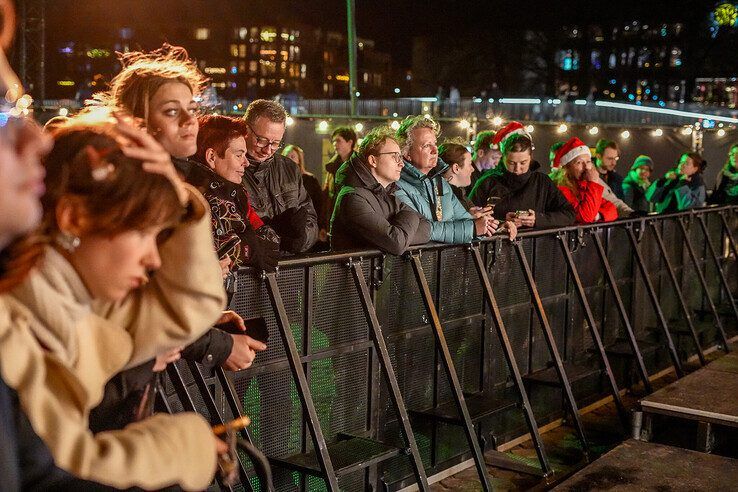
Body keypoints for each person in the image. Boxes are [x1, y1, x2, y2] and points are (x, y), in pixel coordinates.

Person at [1, 113, 227, 490]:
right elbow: (63, 471)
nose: (155, 259)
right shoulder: (26, 316)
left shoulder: (68, 301)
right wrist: (185, 442)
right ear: (73, 218)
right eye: (142, 232)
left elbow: (190, 303)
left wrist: (178, 197)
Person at [97, 44, 263, 387]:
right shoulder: (130, 189)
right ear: (137, 120)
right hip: (116, 376)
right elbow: (131, 299)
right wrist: (214, 343)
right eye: (173, 112)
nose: (191, 121)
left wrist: (207, 322)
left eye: (192, 108)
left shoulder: (171, 183)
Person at [193, 114, 280, 274]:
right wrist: (246, 250)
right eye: (239, 155)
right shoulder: (193, 197)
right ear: (212, 157)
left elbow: (267, 240)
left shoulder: (235, 194)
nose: (245, 162)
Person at [394, 115, 498, 243]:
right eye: (427, 145)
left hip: (445, 261)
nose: (434, 150)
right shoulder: (397, 185)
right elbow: (421, 229)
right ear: (406, 153)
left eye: (435, 144)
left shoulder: (440, 183)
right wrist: (472, 229)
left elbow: (465, 220)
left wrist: (491, 226)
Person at [330, 126, 431, 254]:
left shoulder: (386, 193)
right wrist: (408, 219)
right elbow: (396, 243)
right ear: (373, 160)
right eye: (395, 156)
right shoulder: (352, 197)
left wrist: (401, 235)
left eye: (400, 157)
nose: (402, 163)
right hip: (353, 274)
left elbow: (427, 228)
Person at [241, 99, 318, 253]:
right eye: (261, 140)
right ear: (245, 130)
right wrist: (272, 242)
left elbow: (311, 218)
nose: (268, 150)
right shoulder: (232, 168)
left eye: (276, 143)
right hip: (251, 272)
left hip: (290, 269)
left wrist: (303, 239)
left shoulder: (289, 168)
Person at [469, 122, 575, 230]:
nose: (517, 169)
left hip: (535, 245)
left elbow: (569, 215)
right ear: (503, 157)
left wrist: (537, 219)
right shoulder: (488, 181)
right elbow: (470, 216)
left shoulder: (542, 182)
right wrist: (501, 222)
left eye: (523, 163)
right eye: (511, 163)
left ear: (531, 157)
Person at [550, 136, 617, 224]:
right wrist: (593, 183)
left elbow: (612, 209)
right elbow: (585, 217)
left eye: (588, 162)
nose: (586, 167)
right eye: (579, 162)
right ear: (567, 168)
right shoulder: (561, 189)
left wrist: (598, 215)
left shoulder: (584, 184)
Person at [283, 143, 326, 248]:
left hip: (308, 227)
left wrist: (321, 227)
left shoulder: (310, 180)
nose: (289, 159)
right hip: (286, 229)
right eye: (287, 156)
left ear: (299, 160)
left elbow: (319, 204)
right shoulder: (278, 180)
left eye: (292, 156)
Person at [323, 126, 356, 232]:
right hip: (334, 221)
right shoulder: (331, 167)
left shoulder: (359, 166)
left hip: (352, 220)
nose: (334, 144)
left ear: (350, 142)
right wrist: (323, 225)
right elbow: (327, 197)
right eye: (333, 141)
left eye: (338, 140)